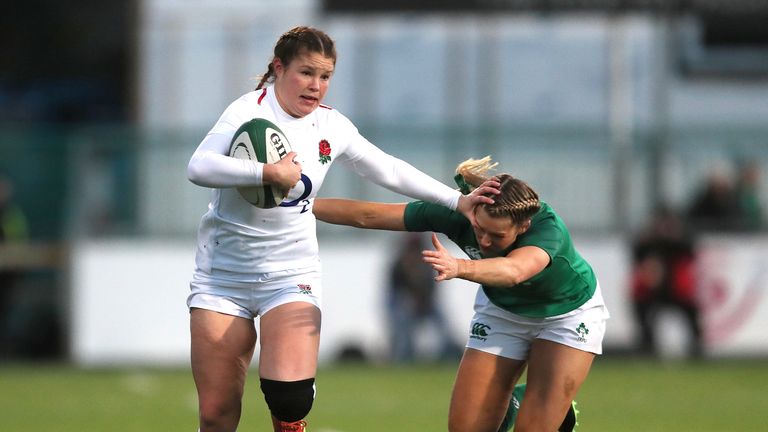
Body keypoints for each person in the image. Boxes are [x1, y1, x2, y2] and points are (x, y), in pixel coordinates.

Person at [185, 26, 496, 432]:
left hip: (289, 274)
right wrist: (267, 171)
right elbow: (199, 166)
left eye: (325, 76)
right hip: (222, 276)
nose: (316, 86)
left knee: (289, 401)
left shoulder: (331, 126)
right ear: (279, 68)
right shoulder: (248, 111)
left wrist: (457, 201)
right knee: (217, 413)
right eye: (306, 73)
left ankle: (295, 399)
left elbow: (387, 168)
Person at [313, 156, 608, 431]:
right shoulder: (459, 213)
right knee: (465, 428)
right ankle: (517, 402)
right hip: (503, 312)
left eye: (497, 235)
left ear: (523, 225)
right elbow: (368, 215)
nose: (485, 240)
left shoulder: (546, 228)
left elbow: (514, 271)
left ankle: (545, 407)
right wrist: (298, 204)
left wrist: (459, 266)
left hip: (567, 316)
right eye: (480, 229)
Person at [630, 204, 702, 358]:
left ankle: (696, 348)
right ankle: (647, 347)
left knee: (692, 313)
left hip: (676, 290)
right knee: (643, 314)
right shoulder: (648, 242)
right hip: (652, 292)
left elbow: (690, 252)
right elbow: (637, 256)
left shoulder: (680, 242)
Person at [386, 232, 461, 362]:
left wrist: (423, 301)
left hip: (426, 302)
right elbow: (396, 292)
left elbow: (433, 287)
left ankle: (449, 352)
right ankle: (404, 357)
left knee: (441, 320)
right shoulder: (398, 265)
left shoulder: (428, 264)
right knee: (402, 322)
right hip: (403, 303)